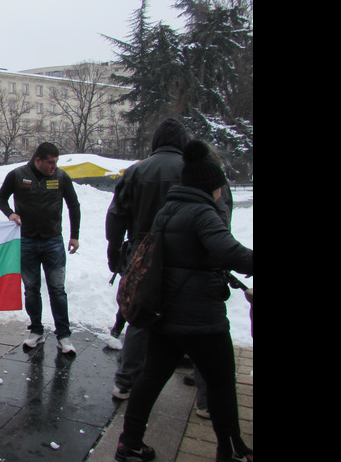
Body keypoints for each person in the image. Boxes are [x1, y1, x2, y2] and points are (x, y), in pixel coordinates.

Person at [114, 140, 253, 462]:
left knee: (149, 378)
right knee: (220, 382)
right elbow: (227, 251)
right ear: (211, 187)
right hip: (201, 318)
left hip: (167, 311)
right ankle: (229, 449)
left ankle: (129, 443)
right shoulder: (204, 213)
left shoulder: (168, 210)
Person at [105, 118, 190, 400]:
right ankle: (205, 397)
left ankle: (125, 381)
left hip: (142, 253)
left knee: (139, 318)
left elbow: (117, 216)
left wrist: (114, 253)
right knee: (194, 317)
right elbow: (219, 215)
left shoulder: (136, 171)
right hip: (187, 256)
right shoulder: (197, 170)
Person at [0, 142, 81, 353]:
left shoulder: (61, 177)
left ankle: (64, 336)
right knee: (32, 289)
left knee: (57, 290)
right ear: (38, 160)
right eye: (50, 162)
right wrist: (10, 213)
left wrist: (75, 236)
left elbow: (74, 205)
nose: (54, 166)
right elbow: (0, 198)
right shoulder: (17, 175)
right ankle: (36, 331)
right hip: (27, 241)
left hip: (53, 241)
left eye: (56, 162)